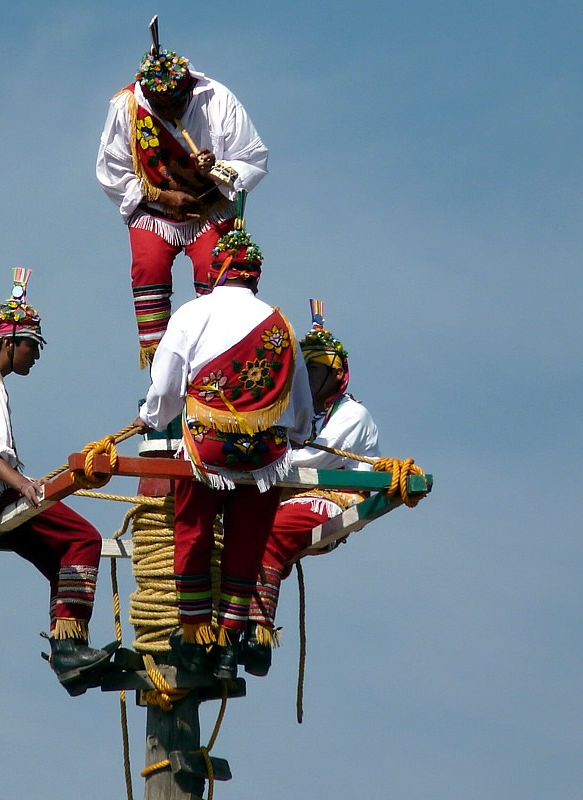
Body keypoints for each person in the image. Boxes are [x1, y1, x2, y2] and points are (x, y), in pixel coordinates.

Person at [135, 215, 311, 680]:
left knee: (191, 534)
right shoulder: (282, 326)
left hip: (206, 454)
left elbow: (166, 387)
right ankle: (231, 640)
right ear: (255, 275)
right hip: (265, 461)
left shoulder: (193, 314)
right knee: (246, 545)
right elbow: (301, 416)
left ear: (216, 271)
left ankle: (195, 637)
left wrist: (151, 418)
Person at [0, 269, 115, 693]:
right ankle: (69, 652)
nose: (35, 355)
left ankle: (70, 655)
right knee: (84, 540)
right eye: (31, 345)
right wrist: (25, 484)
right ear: (9, 343)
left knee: (61, 559)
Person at [97, 31, 268, 368]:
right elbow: (110, 169)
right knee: (149, 268)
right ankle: (163, 369)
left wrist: (216, 168)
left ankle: (215, 359)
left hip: (210, 210)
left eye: (175, 106)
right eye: (160, 107)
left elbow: (252, 159)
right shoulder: (128, 106)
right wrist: (165, 196)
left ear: (187, 90)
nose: (169, 113)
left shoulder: (218, 100)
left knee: (217, 274)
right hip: (155, 210)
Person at [242, 301, 381, 676]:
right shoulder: (298, 416)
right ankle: (226, 627)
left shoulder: (353, 415)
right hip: (292, 494)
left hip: (335, 500)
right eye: (304, 373)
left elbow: (311, 462)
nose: (308, 381)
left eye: (315, 372)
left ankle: (258, 633)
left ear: (337, 376)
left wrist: (255, 458)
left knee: (269, 533)